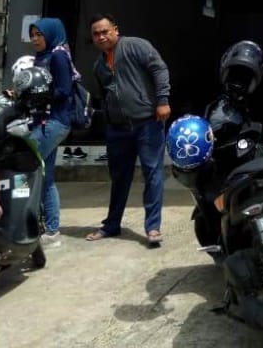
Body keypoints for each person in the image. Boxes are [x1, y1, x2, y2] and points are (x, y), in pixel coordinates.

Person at [85, 13, 171, 247]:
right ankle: (112, 225)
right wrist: (109, 121)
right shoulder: (98, 66)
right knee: (119, 178)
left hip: (147, 123)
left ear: (115, 30)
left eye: (105, 31)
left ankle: (152, 228)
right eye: (96, 34)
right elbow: (105, 96)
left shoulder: (136, 46)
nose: (101, 36)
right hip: (118, 130)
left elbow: (159, 70)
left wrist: (162, 100)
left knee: (152, 172)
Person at [25, 17, 78, 248]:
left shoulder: (57, 55)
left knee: (25, 168)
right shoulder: (42, 57)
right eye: (33, 35)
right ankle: (52, 231)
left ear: (50, 34)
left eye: (40, 34)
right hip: (44, 122)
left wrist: (38, 95)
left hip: (54, 122)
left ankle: (27, 225)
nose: (35, 39)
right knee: (46, 179)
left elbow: (64, 90)